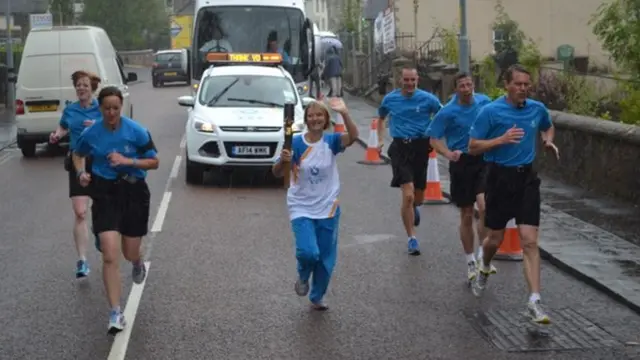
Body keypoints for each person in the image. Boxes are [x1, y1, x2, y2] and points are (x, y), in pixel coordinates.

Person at [468, 64, 559, 324]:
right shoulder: (490, 111)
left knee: (529, 241)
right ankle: (484, 266)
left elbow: (547, 125)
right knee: (494, 239)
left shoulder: (536, 108)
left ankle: (534, 301)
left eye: (526, 84)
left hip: (527, 179)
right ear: (506, 84)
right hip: (498, 178)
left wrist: (547, 140)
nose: (523, 88)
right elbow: (472, 146)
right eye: (518, 84)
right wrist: (500, 140)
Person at [72, 86, 159, 334]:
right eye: (107, 108)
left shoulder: (137, 131)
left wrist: (127, 161)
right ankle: (115, 313)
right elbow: (77, 154)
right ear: (100, 108)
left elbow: (154, 161)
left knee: (129, 251)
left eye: (116, 108)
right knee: (110, 254)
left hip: (133, 192)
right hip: (105, 193)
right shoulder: (92, 133)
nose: (111, 113)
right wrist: (81, 172)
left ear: (121, 107)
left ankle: (137, 261)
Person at [272, 97, 359, 310]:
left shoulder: (331, 142)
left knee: (325, 258)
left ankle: (317, 295)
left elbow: (354, 137)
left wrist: (345, 113)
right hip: (301, 205)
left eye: (319, 115)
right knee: (308, 252)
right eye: (311, 115)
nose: (315, 119)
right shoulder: (297, 143)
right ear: (306, 119)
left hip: (327, 206)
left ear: (326, 119)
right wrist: (283, 161)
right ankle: (303, 276)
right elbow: (276, 173)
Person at [427, 73, 497, 283]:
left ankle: (482, 255)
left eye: (469, 84)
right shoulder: (447, 112)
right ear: (456, 89)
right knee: (467, 214)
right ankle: (470, 261)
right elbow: (433, 138)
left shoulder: (485, 102)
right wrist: (447, 153)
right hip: (462, 162)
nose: (466, 88)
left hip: (483, 159)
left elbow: (498, 118)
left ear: (473, 85)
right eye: (462, 86)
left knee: (484, 207)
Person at [377, 66, 443, 255]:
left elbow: (443, 115)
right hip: (400, 148)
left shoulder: (428, 99)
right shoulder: (390, 99)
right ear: (400, 80)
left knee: (418, 197)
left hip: (421, 148)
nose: (409, 83)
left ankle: (414, 205)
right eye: (406, 80)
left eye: (413, 80)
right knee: (407, 195)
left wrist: (434, 133)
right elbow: (381, 118)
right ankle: (412, 238)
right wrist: (381, 139)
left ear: (417, 80)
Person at [49, 70, 102, 279]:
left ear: (92, 88)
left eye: (85, 85)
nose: (81, 88)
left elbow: (113, 126)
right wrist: (56, 135)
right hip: (77, 160)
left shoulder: (101, 108)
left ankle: (100, 233)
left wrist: (97, 126)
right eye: (78, 85)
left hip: (98, 161)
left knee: (100, 206)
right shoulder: (70, 110)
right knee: (80, 212)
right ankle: (82, 261)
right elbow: (62, 128)